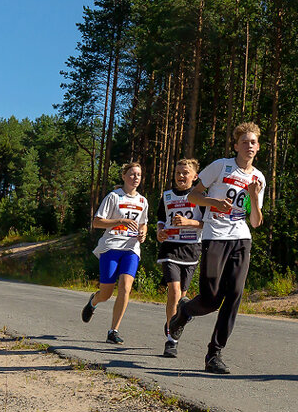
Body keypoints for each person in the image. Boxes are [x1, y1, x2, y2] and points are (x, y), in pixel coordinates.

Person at [167, 123, 266, 374]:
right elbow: (193, 196)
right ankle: (185, 311)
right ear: (235, 146)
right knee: (211, 299)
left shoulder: (259, 178)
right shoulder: (221, 166)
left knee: (234, 296)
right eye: (244, 142)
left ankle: (214, 354)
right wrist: (213, 202)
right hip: (215, 235)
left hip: (241, 238)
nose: (249, 146)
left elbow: (255, 222)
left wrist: (254, 198)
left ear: (258, 147)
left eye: (253, 142)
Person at [81, 162, 149, 344]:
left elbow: (144, 223)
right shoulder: (113, 197)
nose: (136, 178)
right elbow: (97, 222)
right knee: (106, 293)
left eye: (139, 175)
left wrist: (143, 232)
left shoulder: (143, 201)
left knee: (126, 287)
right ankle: (93, 302)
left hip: (131, 248)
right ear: (124, 176)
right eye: (132, 174)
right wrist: (120, 221)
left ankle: (113, 330)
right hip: (111, 246)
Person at [155, 158, 206, 358]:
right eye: (178, 173)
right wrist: (160, 232)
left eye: (185, 173)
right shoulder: (166, 196)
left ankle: (175, 321)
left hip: (191, 249)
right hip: (169, 249)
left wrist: (188, 222)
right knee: (174, 291)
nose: (181, 176)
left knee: (182, 297)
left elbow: (205, 224)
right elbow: (161, 220)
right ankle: (171, 340)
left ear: (195, 177)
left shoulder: (201, 197)